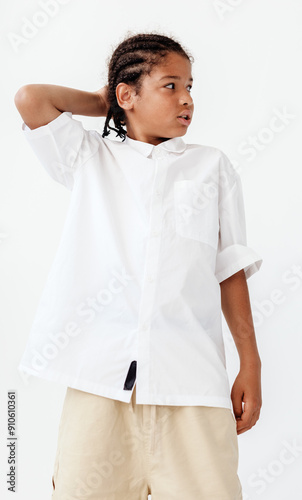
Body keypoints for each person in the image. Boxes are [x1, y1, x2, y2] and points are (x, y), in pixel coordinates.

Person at [14, 31, 263, 500]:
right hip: (100, 381)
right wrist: (105, 101)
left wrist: (250, 363)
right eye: (171, 86)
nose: (187, 99)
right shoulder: (88, 158)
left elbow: (229, 269)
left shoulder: (212, 167)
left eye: (191, 86)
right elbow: (32, 99)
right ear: (127, 95)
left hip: (190, 383)